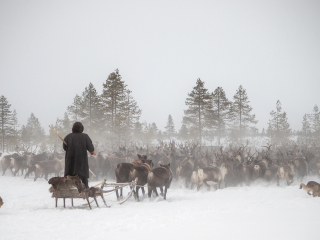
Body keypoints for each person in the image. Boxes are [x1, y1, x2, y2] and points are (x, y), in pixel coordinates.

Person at [63, 122, 95, 188]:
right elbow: (91, 148)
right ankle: (85, 188)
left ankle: (67, 189)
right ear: (82, 128)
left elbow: (64, 147)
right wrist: (92, 151)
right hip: (81, 162)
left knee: (69, 177)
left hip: (70, 163)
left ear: (73, 128)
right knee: (83, 178)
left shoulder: (68, 137)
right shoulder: (85, 136)